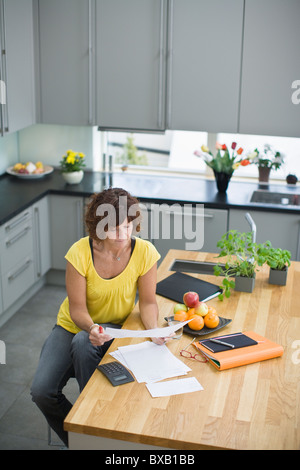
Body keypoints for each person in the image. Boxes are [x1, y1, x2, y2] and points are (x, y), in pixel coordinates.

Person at [31, 187, 167, 447]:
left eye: (127, 227)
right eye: (114, 228)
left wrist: (153, 330)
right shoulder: (79, 252)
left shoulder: (145, 252)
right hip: (74, 325)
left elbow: (148, 302)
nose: (122, 235)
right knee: (42, 392)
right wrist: (92, 327)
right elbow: (77, 309)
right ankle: (84, 442)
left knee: (83, 345)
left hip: (117, 329)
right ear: (98, 227)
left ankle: (96, 421)